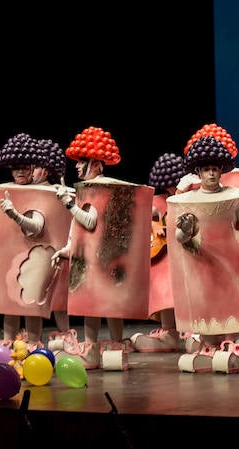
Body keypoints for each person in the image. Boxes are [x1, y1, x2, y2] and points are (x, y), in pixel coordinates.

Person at [50, 126, 154, 370]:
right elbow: (79, 229)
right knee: (94, 306)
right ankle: (95, 348)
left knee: (106, 306)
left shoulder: (101, 188)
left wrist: (69, 204)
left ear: (96, 164)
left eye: (82, 162)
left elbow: (89, 221)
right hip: (91, 258)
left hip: (104, 259)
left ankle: (110, 347)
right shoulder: (88, 189)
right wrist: (67, 249)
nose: (76, 167)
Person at [166, 133, 239, 374]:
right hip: (203, 266)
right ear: (199, 173)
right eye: (206, 170)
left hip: (233, 264)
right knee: (207, 309)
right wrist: (184, 231)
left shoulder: (235, 197)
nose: (211, 173)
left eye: (215, 169)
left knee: (236, 303)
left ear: (221, 170)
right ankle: (210, 343)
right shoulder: (187, 201)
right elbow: (180, 238)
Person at [0, 133, 71, 353]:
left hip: (35, 256)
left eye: (26, 167)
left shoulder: (44, 194)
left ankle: (34, 341)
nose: (21, 171)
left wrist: (15, 214)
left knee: (30, 302)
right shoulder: (9, 190)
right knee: (8, 303)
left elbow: (36, 227)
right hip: (8, 254)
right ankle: (8, 341)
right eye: (15, 167)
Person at [130, 152, 186, 352]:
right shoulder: (157, 201)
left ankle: (193, 331)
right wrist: (155, 225)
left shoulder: (187, 198)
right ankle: (168, 331)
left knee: (186, 288)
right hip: (163, 254)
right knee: (164, 288)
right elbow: (150, 219)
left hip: (186, 253)